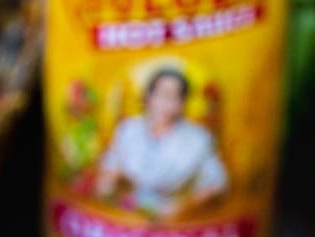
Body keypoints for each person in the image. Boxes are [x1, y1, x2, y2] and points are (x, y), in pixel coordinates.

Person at [95, 67, 228, 218]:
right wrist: (107, 185)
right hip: (131, 211)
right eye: (160, 95)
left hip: (177, 217)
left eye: (173, 97)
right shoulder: (128, 129)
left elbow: (217, 184)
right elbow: (111, 164)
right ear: (148, 97)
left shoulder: (198, 139)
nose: (165, 104)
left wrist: (183, 206)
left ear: (182, 104)